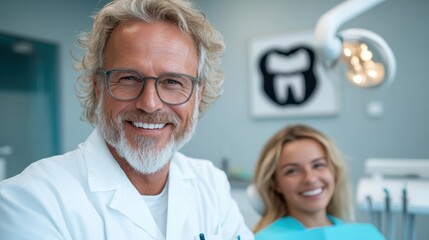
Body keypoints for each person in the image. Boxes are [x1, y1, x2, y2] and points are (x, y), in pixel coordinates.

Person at [0, 0, 253, 239]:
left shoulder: (211, 183)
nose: (150, 104)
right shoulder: (32, 200)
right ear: (98, 87)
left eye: (173, 82)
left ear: (198, 95)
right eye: (129, 78)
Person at [252, 124, 354, 239]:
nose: (310, 178)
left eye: (318, 165)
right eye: (292, 171)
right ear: (275, 183)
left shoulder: (359, 234)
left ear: (334, 171)